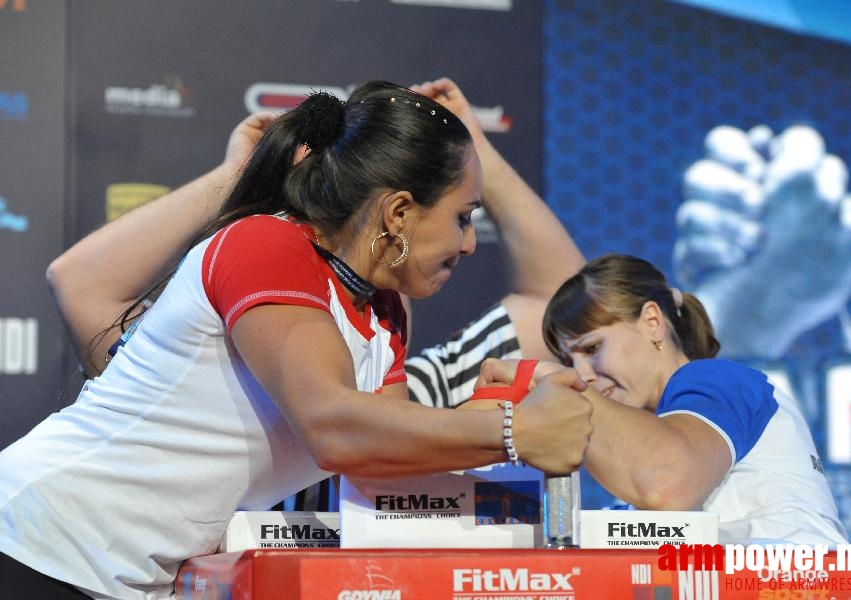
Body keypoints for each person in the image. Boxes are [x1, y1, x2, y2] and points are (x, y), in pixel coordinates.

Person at [0, 81, 594, 600]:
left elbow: (379, 465)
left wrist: (494, 422)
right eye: (463, 217)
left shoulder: (384, 311)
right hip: (34, 546)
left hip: (110, 577)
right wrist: (516, 432)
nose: (468, 244)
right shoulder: (269, 247)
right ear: (399, 214)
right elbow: (331, 427)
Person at [480, 253, 850, 547]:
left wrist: (546, 376)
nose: (581, 374)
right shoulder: (643, 459)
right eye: (567, 362)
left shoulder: (718, 380)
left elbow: (665, 483)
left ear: (653, 322)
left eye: (592, 348)